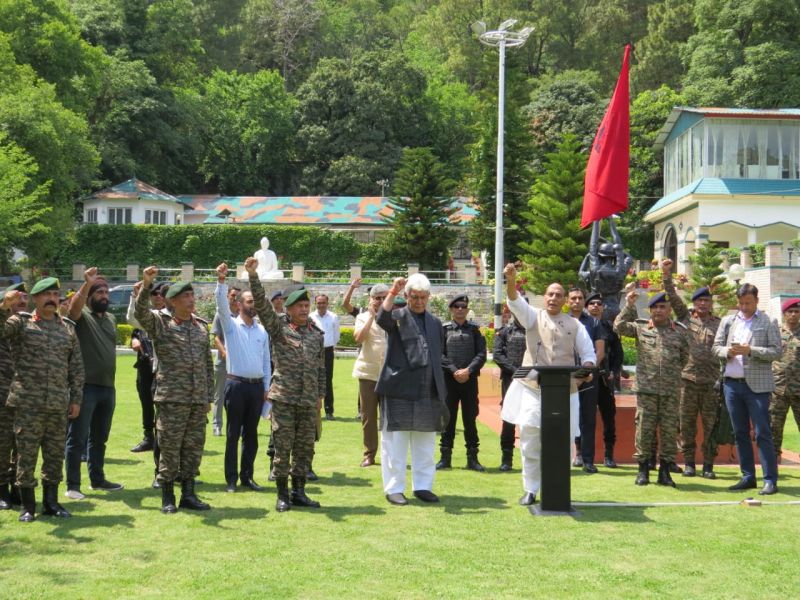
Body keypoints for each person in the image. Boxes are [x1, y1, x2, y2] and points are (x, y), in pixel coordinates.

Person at [500, 264, 596, 506]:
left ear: (565, 300)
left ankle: (558, 488)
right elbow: (514, 301)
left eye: (558, 295)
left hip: (565, 392)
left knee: (562, 441)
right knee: (530, 438)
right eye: (550, 294)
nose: (554, 298)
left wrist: (585, 371)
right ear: (544, 297)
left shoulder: (576, 325)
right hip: (533, 389)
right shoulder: (533, 316)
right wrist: (511, 280)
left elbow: (589, 355)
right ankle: (530, 489)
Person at [0, 279, 84, 522]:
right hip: (27, 404)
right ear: (35, 299)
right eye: (46, 294)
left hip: (58, 405)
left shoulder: (67, 328)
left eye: (55, 294)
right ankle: (28, 506)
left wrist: (76, 398)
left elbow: (77, 368)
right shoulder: (20, 323)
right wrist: (4, 306)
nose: (52, 298)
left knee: (55, 455)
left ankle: (51, 503)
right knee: (26, 456)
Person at [246, 257, 324, 512]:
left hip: (307, 401)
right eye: (299, 306)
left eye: (306, 305)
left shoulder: (316, 334)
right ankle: (282, 494)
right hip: (284, 400)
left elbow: (321, 368)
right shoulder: (278, 328)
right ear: (288, 309)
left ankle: (299, 492)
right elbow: (262, 305)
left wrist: (320, 396)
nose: (304, 309)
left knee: (304, 449)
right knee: (283, 448)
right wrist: (254, 277)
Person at [135, 268, 214, 513]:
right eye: (185, 296)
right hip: (171, 399)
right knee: (169, 447)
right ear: (172, 301)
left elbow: (207, 364)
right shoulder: (161, 323)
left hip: (197, 399)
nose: (191, 300)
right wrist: (147, 285)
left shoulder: (201, 327)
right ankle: (168, 495)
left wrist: (209, 395)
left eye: (192, 295)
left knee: (193, 448)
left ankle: (188, 493)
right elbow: (140, 313)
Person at [376, 274, 448, 506]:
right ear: (407, 296)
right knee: (395, 444)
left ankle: (423, 486)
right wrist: (392, 292)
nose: (418, 301)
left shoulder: (435, 323)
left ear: (428, 297)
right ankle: (394, 488)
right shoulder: (396, 316)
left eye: (423, 297)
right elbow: (381, 318)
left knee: (425, 443)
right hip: (399, 388)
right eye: (414, 297)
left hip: (428, 390)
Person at [615, 288, 689, 487]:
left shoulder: (680, 332)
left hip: (670, 391)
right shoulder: (641, 328)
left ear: (669, 309)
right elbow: (619, 326)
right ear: (649, 310)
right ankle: (643, 471)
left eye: (662, 307)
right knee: (644, 431)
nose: (658, 311)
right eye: (654, 307)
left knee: (668, 432)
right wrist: (629, 305)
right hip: (646, 390)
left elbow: (684, 357)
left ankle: (665, 472)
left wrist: (670, 376)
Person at [713, 283, 782, 495]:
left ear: (756, 301)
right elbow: (716, 347)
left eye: (748, 303)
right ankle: (748, 477)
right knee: (740, 433)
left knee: (762, 433)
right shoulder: (728, 321)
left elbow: (776, 352)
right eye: (741, 303)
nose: (744, 306)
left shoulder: (768, 321)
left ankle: (769, 479)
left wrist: (750, 350)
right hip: (732, 385)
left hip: (758, 387)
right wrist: (728, 352)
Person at [660, 259, 723, 478]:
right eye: (699, 301)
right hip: (687, 382)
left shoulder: (720, 323)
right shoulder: (685, 318)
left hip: (710, 384)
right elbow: (673, 297)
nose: (703, 304)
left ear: (711, 303)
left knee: (710, 426)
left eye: (706, 301)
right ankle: (689, 463)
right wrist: (666, 275)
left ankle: (708, 465)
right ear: (694, 303)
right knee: (686, 425)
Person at [64, 268, 123, 500]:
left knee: (100, 438)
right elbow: (73, 309)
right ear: (90, 296)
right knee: (77, 437)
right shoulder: (82, 316)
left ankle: (97, 480)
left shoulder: (110, 319)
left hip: (108, 387)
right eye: (99, 292)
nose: (104, 295)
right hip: (85, 387)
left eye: (106, 291)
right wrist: (85, 284)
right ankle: (73, 485)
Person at [214, 264, 271, 492]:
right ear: (238, 305)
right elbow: (220, 305)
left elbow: (267, 363)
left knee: (251, 435)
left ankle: (247, 476)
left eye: (255, 301)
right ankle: (231, 479)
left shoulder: (262, 331)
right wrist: (221, 281)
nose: (253, 304)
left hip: (256, 388)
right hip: (235, 385)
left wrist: (266, 388)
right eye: (249, 301)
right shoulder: (231, 327)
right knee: (232, 434)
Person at [437, 294, 487, 471]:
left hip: (469, 381)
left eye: (463, 307)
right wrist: (453, 370)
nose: (460, 309)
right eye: (456, 306)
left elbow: (481, 354)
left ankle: (472, 459)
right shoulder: (443, 329)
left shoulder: (475, 330)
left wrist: (468, 370)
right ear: (451, 309)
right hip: (449, 381)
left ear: (467, 310)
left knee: (470, 420)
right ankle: (445, 457)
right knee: (447, 419)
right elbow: (439, 354)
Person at [567, 288, 608, 474]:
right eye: (573, 298)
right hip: (565, 378)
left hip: (589, 377)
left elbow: (599, 352)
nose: (576, 301)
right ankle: (572, 455)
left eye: (580, 298)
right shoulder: (561, 321)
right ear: (568, 301)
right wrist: (572, 378)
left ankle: (588, 460)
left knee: (587, 419)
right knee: (565, 418)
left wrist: (584, 374)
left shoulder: (593, 322)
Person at [128, 281, 168, 453]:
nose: (158, 296)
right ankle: (148, 437)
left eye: (161, 293)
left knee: (164, 404)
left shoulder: (171, 316)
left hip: (165, 369)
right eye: (154, 293)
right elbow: (133, 323)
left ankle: (163, 438)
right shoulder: (148, 315)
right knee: (146, 401)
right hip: (145, 364)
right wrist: (135, 296)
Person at [352, 284, 389, 467]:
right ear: (371, 299)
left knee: (390, 416)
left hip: (391, 375)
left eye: (384, 297)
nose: (381, 301)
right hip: (368, 373)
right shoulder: (362, 317)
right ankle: (370, 454)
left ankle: (390, 454)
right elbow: (358, 338)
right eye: (378, 298)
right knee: (368, 416)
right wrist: (372, 318)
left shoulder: (395, 316)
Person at [0, 284, 28, 510]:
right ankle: (1, 490)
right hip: (2, 393)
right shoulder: (3, 324)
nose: (22, 301)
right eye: (17, 298)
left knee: (23, 446)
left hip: (27, 396)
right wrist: (4, 308)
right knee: (2, 444)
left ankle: (19, 488)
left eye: (25, 298)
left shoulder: (30, 323)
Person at [585, 294, 620, 467]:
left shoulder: (609, 328)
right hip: (584, 378)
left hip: (604, 379)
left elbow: (618, 353)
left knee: (609, 418)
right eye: (592, 303)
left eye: (599, 303)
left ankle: (609, 455)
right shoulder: (580, 325)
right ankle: (580, 454)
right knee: (583, 417)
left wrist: (614, 371)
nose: (596, 306)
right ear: (587, 307)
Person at [492, 305, 527, 472]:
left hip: (533, 380)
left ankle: (531, 460)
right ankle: (507, 459)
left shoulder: (536, 331)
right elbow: (497, 354)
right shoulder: (504, 332)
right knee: (509, 418)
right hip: (510, 380)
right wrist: (515, 371)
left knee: (532, 420)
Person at [770, 298, 800, 461]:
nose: (794, 314)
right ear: (784, 314)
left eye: (797, 311)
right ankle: (773, 460)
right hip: (778, 388)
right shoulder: (775, 333)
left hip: (799, 389)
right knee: (774, 427)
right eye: (790, 311)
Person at [211, 286, 241, 436]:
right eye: (233, 295)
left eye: (237, 296)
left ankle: (236, 425)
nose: (235, 298)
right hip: (223, 361)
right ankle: (217, 425)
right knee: (220, 395)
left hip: (239, 363)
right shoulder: (221, 314)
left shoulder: (243, 315)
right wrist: (224, 352)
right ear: (228, 297)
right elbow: (216, 336)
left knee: (237, 396)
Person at [310, 294, 340, 420]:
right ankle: (311, 409)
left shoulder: (333, 317)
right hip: (313, 352)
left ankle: (329, 411)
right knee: (311, 380)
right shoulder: (310, 317)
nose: (321, 305)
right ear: (315, 303)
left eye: (323, 303)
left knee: (327, 380)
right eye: (319, 303)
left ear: (327, 303)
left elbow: (336, 335)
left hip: (327, 351)